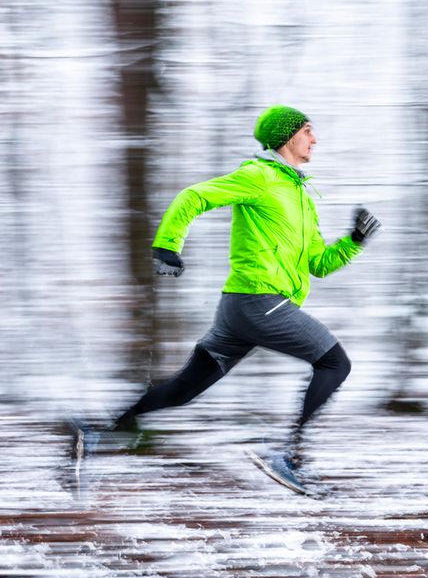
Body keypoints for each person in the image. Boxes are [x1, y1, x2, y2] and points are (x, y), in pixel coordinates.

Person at [111, 105, 380, 484]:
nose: (314, 139)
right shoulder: (259, 176)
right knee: (335, 364)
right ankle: (289, 455)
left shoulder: (300, 194)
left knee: (185, 389)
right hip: (260, 302)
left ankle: (102, 431)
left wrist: (354, 242)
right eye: (307, 131)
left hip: (242, 307)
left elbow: (317, 264)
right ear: (287, 137)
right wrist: (167, 246)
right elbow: (194, 196)